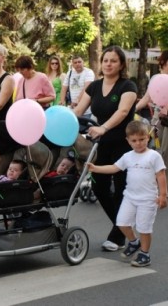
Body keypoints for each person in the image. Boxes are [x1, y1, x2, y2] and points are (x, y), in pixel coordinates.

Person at [74, 45, 138, 252]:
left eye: (113, 61)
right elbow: (78, 110)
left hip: (122, 145)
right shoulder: (93, 86)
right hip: (101, 145)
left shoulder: (127, 86)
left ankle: (118, 235)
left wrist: (103, 127)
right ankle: (122, 227)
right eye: (105, 60)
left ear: (121, 65)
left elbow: (123, 111)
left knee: (120, 190)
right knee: (98, 187)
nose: (108, 64)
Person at [87, 120, 167, 267]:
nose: (138, 143)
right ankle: (133, 242)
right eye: (134, 140)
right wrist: (95, 168)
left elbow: (161, 175)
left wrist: (163, 195)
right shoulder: (128, 156)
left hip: (148, 199)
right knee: (121, 222)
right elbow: (113, 168)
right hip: (130, 197)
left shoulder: (153, 156)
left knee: (144, 228)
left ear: (147, 138)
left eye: (142, 139)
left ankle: (144, 254)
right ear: (128, 141)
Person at [136, 50, 168, 180]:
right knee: (156, 151)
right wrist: (131, 110)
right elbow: (147, 98)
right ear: (163, 62)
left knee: (165, 152)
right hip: (157, 121)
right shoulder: (156, 78)